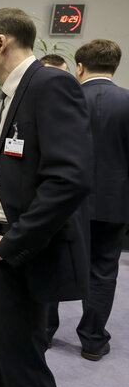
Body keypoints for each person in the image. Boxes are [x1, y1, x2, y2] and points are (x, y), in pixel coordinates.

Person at [0, 8, 91, 387]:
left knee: (21, 365)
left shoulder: (50, 85)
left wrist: (12, 244)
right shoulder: (10, 91)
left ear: (1, 42)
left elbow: (69, 180)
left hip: (14, 251)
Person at [47, 39, 128, 360]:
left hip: (65, 203)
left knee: (52, 264)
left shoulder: (63, 99)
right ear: (115, 67)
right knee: (104, 271)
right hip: (114, 203)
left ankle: (43, 334)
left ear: (79, 67)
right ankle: (93, 340)